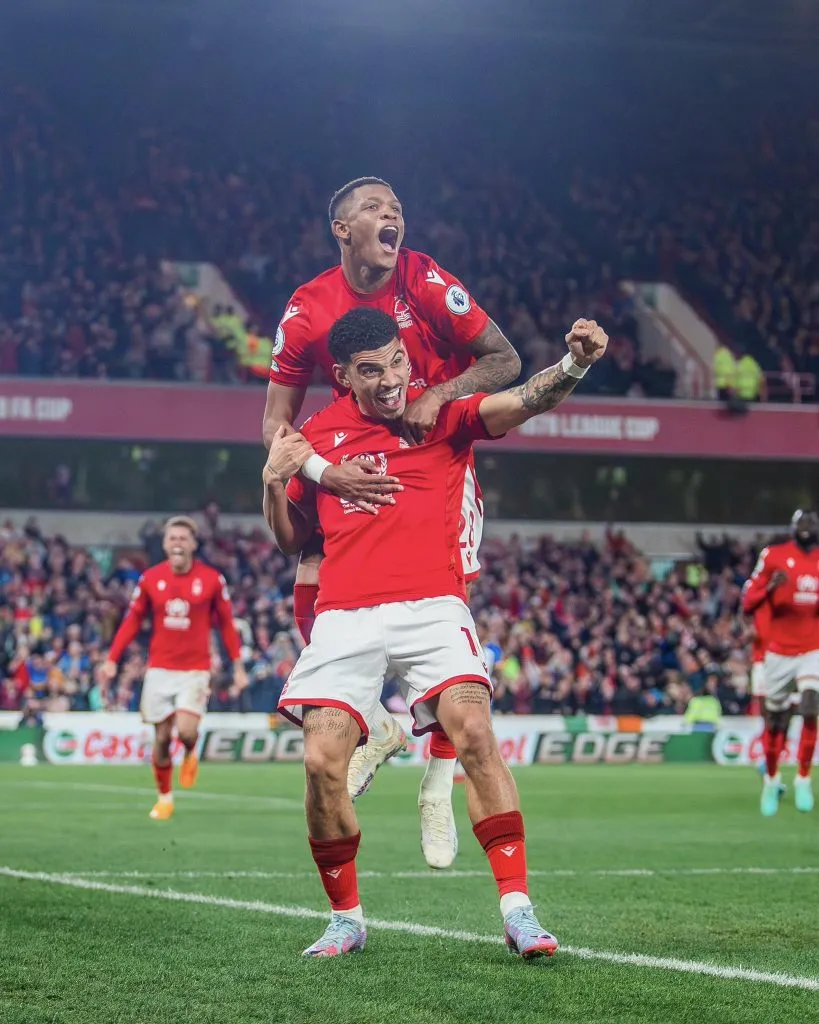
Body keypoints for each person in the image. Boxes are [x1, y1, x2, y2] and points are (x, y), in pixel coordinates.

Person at [262, 306, 608, 958]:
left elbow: (522, 401)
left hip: (432, 607)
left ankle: (518, 911)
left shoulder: (438, 415)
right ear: (344, 376)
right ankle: (346, 919)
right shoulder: (317, 434)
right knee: (320, 762)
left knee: (474, 731)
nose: (392, 378)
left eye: (397, 360)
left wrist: (575, 364)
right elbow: (290, 540)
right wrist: (273, 484)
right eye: (372, 370)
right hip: (345, 613)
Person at [262, 176, 522, 868]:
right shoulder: (308, 308)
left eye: (397, 208)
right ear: (341, 229)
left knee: (442, 609)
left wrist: (439, 395)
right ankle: (375, 720)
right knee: (310, 565)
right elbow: (275, 423)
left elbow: (505, 360)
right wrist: (324, 473)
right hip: (350, 453)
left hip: (436, 455)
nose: (392, 216)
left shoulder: (425, 280)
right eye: (375, 208)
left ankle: (437, 784)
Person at [100, 517, 247, 820]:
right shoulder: (150, 579)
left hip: (195, 669)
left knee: (187, 730)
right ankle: (164, 798)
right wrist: (112, 659)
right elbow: (132, 621)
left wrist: (238, 666)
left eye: (183, 538)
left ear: (193, 544)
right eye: (172, 538)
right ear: (165, 544)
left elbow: (227, 625)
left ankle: (191, 750)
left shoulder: (211, 579)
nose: (177, 543)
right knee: (162, 738)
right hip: (160, 669)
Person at [742, 509, 819, 816]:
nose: (806, 528)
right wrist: (770, 587)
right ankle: (772, 780)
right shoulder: (773, 556)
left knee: (811, 706)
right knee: (776, 721)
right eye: (801, 523)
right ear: (792, 528)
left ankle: (803, 778)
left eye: (811, 524)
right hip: (777, 651)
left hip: (812, 647)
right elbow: (748, 601)